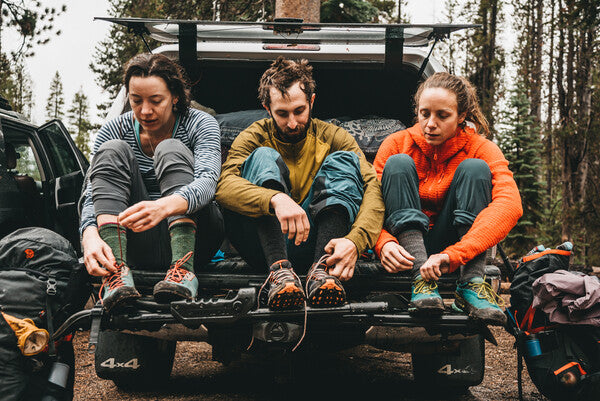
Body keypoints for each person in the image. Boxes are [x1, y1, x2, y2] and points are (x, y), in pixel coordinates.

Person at [216, 57, 384, 310]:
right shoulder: (253, 136)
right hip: (260, 247)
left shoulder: (335, 137)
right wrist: (275, 199)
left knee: (344, 161)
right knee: (263, 156)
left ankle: (322, 273)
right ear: (267, 107)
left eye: (299, 111)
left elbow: (372, 189)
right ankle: (279, 273)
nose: (292, 123)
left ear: (312, 102)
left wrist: (355, 241)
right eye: (282, 114)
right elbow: (224, 186)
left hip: (320, 244)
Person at [373, 72, 522, 326]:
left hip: (454, 247)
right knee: (398, 164)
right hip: (405, 246)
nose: (430, 123)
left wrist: (454, 255)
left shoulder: (480, 147)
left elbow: (510, 204)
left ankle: (471, 285)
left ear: (461, 116)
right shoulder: (397, 143)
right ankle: (421, 283)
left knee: (475, 169)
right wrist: (382, 243)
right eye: (424, 114)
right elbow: (370, 205)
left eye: (442, 116)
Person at [80, 53, 223, 311]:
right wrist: (89, 235)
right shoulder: (114, 129)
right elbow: (91, 193)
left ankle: (183, 270)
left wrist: (163, 207)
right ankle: (117, 274)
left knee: (170, 148)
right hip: (137, 240)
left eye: (156, 101)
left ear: (175, 97)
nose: (145, 111)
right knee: (111, 150)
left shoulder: (200, 123)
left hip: (198, 236)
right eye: (136, 101)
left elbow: (208, 182)